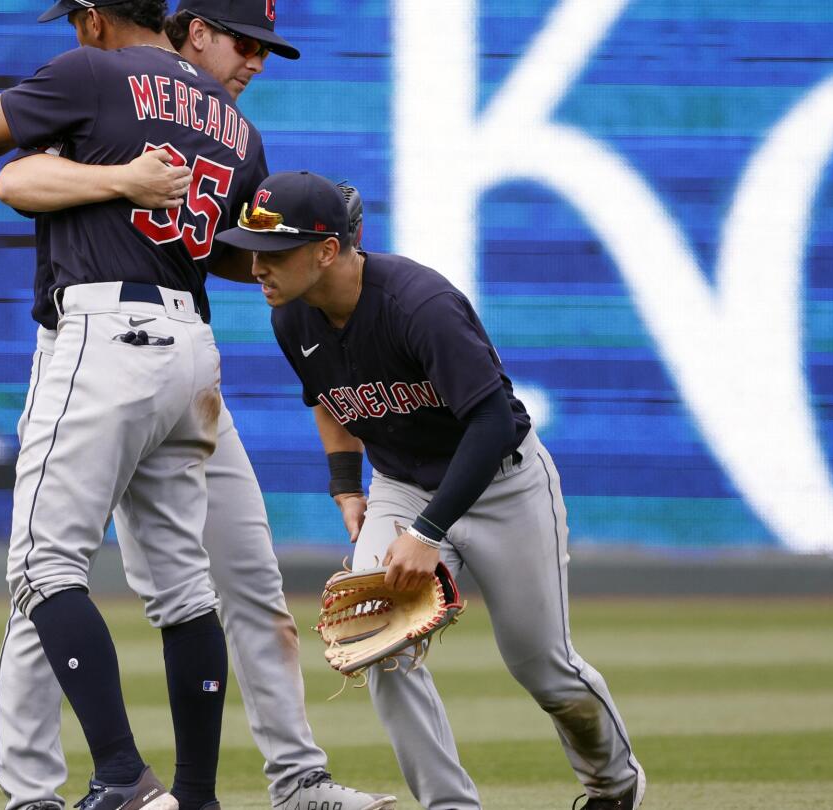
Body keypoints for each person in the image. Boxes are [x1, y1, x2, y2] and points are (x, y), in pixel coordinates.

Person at [0, 4, 392, 809]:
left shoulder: (225, 126)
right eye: (248, 41)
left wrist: (309, 246)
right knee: (55, 572)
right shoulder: (104, 80)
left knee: (210, 575)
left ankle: (286, 781)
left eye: (268, 49)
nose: (259, 62)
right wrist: (124, 180)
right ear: (194, 27)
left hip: (160, 349)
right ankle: (36, 789)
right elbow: (8, 172)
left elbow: (235, 256)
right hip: (107, 344)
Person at [214, 171, 648, 810]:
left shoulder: (418, 304)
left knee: (543, 666)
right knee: (379, 642)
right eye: (253, 247)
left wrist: (426, 534)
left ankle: (614, 786)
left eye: (274, 251)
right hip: (401, 485)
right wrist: (346, 487)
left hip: (504, 485)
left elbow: (493, 422)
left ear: (328, 249)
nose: (257, 265)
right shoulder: (291, 317)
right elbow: (330, 401)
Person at [0, 3, 269, 809]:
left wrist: (111, 174)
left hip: (106, 331)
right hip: (190, 345)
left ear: (93, 18)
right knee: (183, 588)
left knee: (43, 564)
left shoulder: (90, 71)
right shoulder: (234, 125)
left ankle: (122, 774)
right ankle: (196, 795)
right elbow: (234, 250)